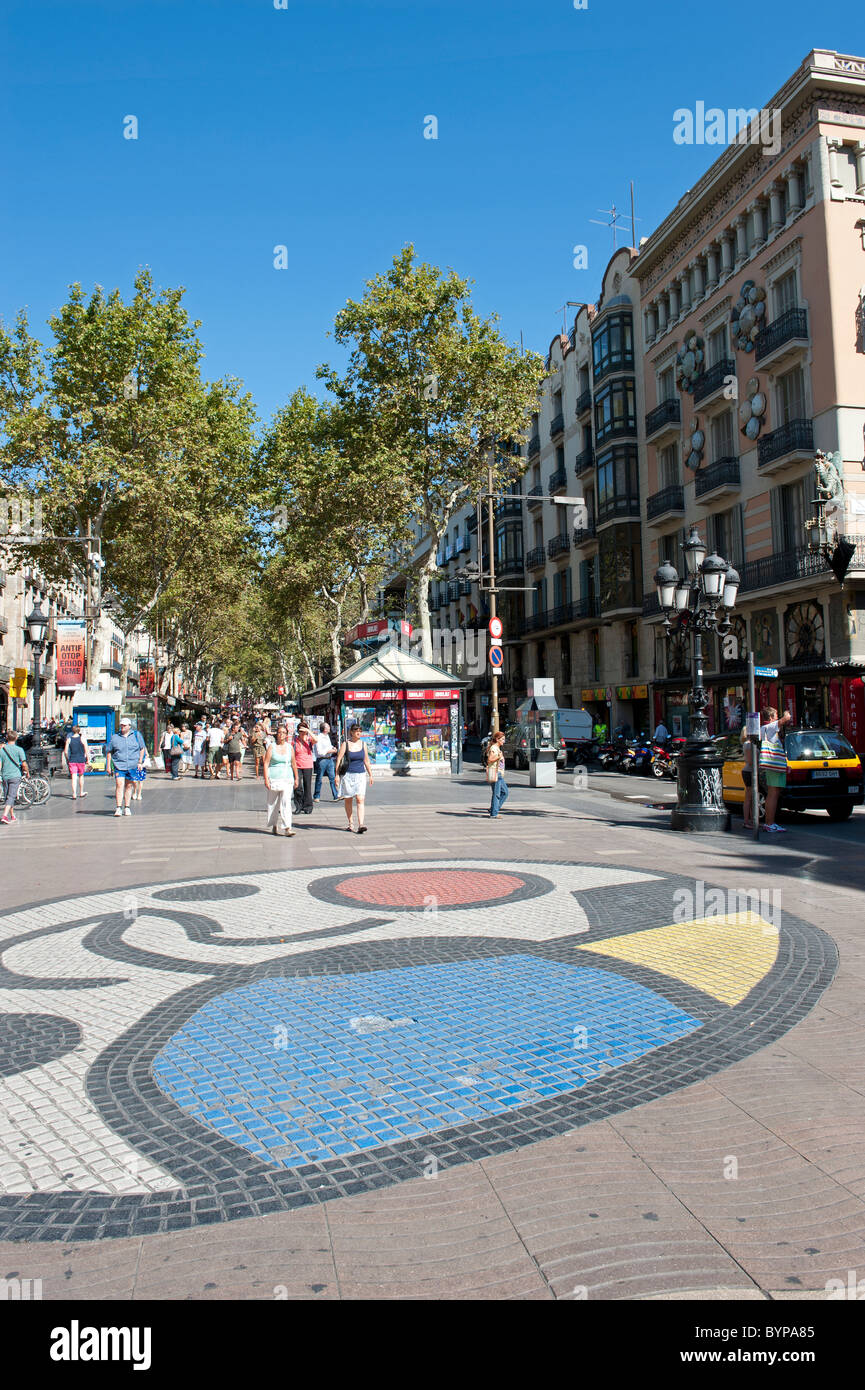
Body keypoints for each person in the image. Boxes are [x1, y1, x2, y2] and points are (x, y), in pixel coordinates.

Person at [335, 723, 374, 833]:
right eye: (356, 731)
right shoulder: (345, 744)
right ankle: (351, 822)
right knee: (348, 799)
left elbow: (366, 760)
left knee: (360, 799)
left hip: (360, 775)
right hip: (348, 775)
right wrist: (337, 775)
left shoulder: (363, 744)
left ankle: (361, 824)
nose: (359, 733)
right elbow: (339, 760)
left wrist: (370, 774)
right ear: (351, 732)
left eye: (360, 731)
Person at [759, 705, 793, 833]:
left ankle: (770, 822)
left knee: (772, 793)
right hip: (774, 764)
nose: (778, 717)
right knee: (773, 793)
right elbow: (786, 718)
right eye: (776, 715)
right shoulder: (771, 727)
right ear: (772, 717)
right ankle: (770, 823)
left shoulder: (763, 728)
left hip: (772, 764)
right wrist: (786, 712)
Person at [106, 717, 147, 816]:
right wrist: (108, 765)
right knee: (119, 784)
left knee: (129, 785)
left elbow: (142, 748)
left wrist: (140, 762)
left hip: (132, 764)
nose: (122, 727)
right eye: (121, 725)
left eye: (124, 725)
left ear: (129, 726)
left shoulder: (136, 735)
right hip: (119, 765)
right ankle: (118, 807)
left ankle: (127, 807)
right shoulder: (115, 737)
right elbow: (109, 751)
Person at [263, 725, 297, 836]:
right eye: (279, 732)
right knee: (273, 803)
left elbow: (293, 763)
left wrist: (296, 778)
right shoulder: (271, 747)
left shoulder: (290, 747)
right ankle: (274, 824)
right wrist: (266, 779)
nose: (281, 734)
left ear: (286, 735)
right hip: (274, 777)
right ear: (276, 734)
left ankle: (287, 827)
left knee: (286, 803)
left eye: (283, 732)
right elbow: (266, 763)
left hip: (287, 778)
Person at [1, 731, 28, 825]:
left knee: (8, 796)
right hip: (15, 775)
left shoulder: (2, 750)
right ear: (16, 738)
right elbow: (24, 764)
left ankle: (12, 815)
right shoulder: (19, 750)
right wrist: (27, 772)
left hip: (5, 775)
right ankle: (4, 816)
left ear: (7, 738)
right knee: (11, 796)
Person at [485, 729, 509, 819]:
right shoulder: (494, 748)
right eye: (502, 739)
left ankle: (493, 809)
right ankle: (494, 813)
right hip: (496, 772)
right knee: (497, 793)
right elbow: (490, 759)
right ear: (497, 739)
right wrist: (499, 757)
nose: (504, 741)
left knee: (505, 792)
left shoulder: (497, 748)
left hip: (499, 773)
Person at [63, 724, 91, 800]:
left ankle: (74, 793)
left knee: (74, 777)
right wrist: (88, 760)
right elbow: (86, 750)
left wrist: (67, 759)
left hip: (72, 759)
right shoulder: (82, 738)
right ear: (79, 731)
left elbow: (65, 751)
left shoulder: (69, 739)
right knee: (81, 776)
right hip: (81, 759)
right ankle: (81, 792)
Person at [293, 723, 316, 813]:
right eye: (300, 731)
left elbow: (316, 740)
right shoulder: (294, 740)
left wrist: (308, 731)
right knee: (297, 786)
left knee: (307, 786)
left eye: (303, 730)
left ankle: (308, 806)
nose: (302, 732)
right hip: (297, 765)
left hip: (308, 765)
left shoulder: (309, 740)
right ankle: (298, 806)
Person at [313, 722, 338, 801]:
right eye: (328, 727)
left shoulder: (327, 736)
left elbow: (329, 746)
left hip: (329, 759)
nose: (329, 728)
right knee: (319, 778)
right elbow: (320, 752)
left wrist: (333, 748)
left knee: (332, 778)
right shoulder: (318, 738)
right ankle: (316, 796)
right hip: (322, 760)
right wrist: (330, 751)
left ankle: (336, 795)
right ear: (324, 729)